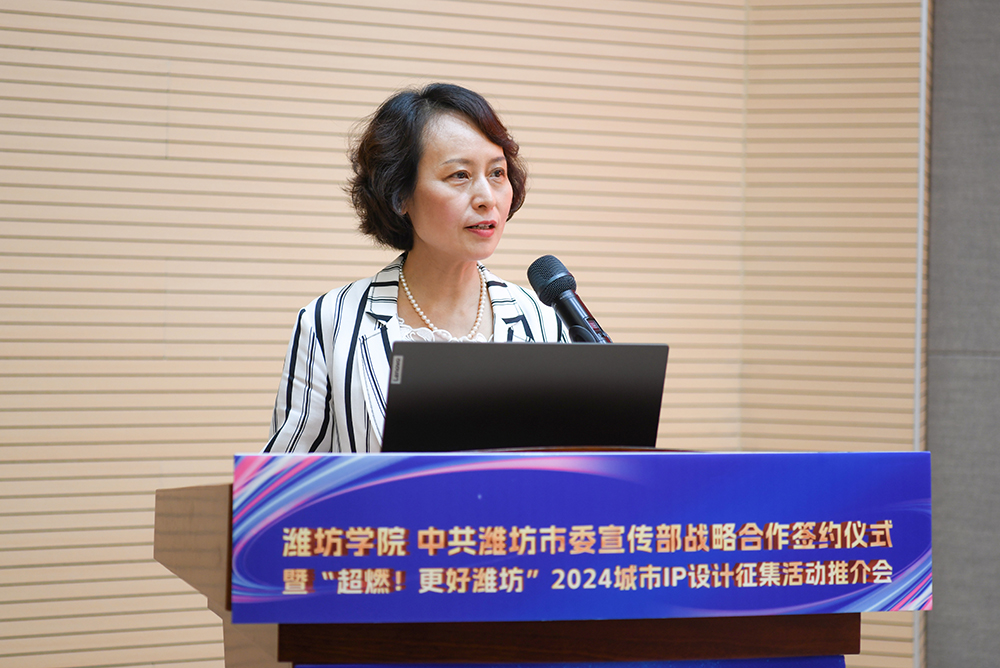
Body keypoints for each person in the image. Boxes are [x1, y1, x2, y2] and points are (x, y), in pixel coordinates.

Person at [264, 83, 566, 454]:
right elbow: (287, 477)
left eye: (497, 173)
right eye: (459, 175)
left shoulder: (544, 321)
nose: (487, 198)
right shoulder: (330, 321)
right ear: (400, 194)